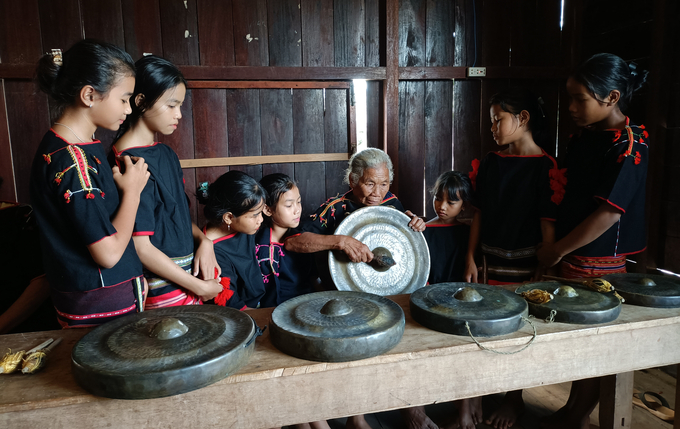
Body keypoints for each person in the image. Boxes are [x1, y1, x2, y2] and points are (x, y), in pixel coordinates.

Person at [537, 53, 649, 429]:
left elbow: (609, 213)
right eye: (569, 97)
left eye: (579, 99)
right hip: (568, 253)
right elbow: (562, 191)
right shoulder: (582, 138)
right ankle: (574, 410)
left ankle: (578, 414)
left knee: (595, 341)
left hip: (600, 260)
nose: (570, 107)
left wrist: (557, 249)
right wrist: (553, 246)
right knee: (576, 338)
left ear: (612, 98)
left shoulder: (630, 145)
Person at [286, 148, 425, 429]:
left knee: (408, 340)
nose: (378, 192)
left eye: (384, 183)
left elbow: (405, 241)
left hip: (384, 294)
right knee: (354, 351)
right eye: (370, 183)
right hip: (341, 299)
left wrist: (416, 224)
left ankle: (413, 409)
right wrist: (339, 241)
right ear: (353, 180)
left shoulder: (392, 203)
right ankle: (356, 417)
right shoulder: (336, 207)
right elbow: (294, 240)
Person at [461, 89, 563, 429]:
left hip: (525, 266)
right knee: (481, 328)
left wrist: (543, 269)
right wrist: (470, 258)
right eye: (492, 121)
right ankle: (473, 394)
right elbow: (479, 214)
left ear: (523, 119)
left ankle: (514, 398)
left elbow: (547, 222)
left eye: (498, 120)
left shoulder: (546, 166)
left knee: (520, 334)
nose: (493, 127)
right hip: (489, 262)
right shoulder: (492, 162)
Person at [30, 39, 150, 328]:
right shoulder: (72, 160)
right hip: (101, 301)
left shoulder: (73, 145)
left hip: (96, 295)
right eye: (123, 99)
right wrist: (132, 192)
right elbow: (107, 254)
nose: (128, 109)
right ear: (89, 95)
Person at [112, 55, 221, 309]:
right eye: (172, 105)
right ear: (140, 102)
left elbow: (176, 216)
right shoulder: (129, 162)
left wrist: (205, 241)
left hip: (188, 278)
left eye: (180, 105)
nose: (179, 114)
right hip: (162, 289)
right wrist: (199, 287)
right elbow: (140, 245)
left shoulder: (164, 153)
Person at [199, 171, 268, 310]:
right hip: (242, 315)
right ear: (229, 218)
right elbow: (232, 304)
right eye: (255, 215)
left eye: (261, 213)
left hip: (259, 303)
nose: (261, 219)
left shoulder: (243, 226)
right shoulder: (213, 253)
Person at [255, 173, 316, 305]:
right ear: (267, 209)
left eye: (298, 202)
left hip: (306, 305)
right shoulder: (258, 245)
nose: (297, 210)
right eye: (289, 206)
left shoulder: (305, 236)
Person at [423, 171, 472, 284]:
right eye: (438, 199)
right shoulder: (424, 230)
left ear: (463, 205)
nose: (442, 207)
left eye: (450, 202)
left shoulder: (467, 232)